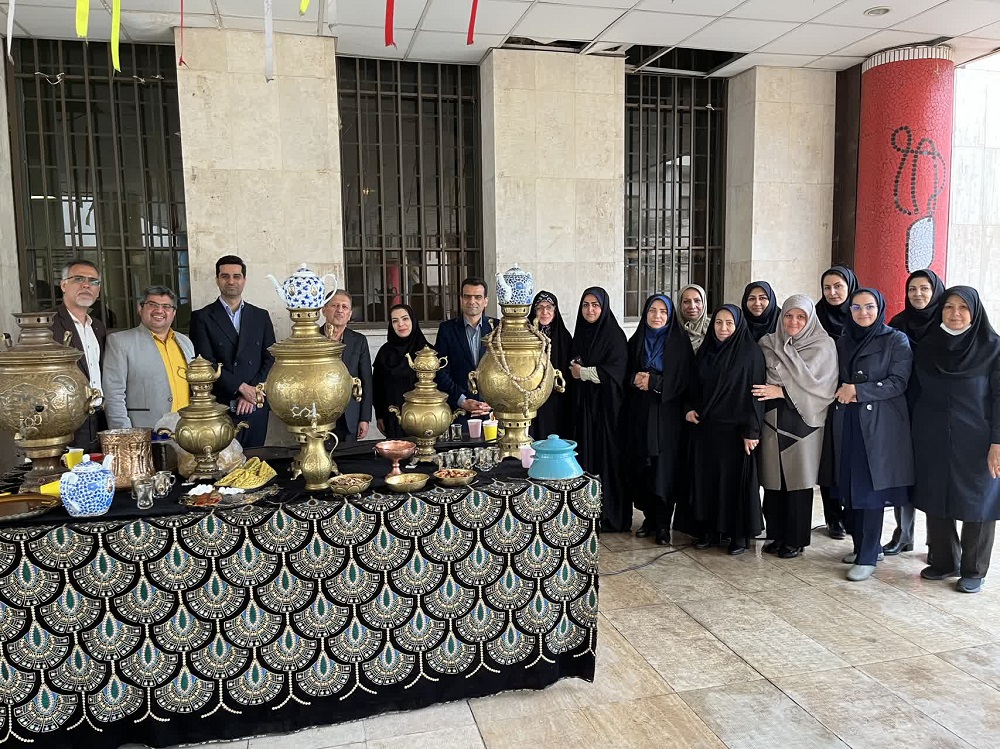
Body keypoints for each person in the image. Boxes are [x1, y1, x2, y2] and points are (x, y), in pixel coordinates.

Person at [911, 287, 1000, 594]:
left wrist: (997, 442)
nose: (955, 313)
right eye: (949, 307)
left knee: (979, 502)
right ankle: (945, 560)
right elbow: (915, 392)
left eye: (963, 307)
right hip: (931, 435)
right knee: (936, 495)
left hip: (978, 438)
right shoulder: (928, 346)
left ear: (975, 312)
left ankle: (974, 569)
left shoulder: (993, 349)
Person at [832, 288, 913, 582]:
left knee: (870, 489)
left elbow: (898, 382)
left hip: (879, 425)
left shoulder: (895, 340)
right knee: (851, 485)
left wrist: (858, 390)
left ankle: (867, 556)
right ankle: (864, 547)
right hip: (849, 420)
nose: (863, 313)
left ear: (879, 309)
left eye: (869, 307)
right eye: (856, 307)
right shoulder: (844, 340)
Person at [754, 295, 838, 558]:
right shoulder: (769, 343)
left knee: (798, 483)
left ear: (810, 319)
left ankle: (796, 540)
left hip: (804, 422)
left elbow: (824, 388)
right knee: (773, 482)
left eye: (801, 317)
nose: (794, 321)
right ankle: (776, 535)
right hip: (772, 419)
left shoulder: (823, 346)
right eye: (789, 315)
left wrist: (782, 391)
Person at [687, 306, 766, 555]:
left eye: (729, 323)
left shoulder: (750, 353)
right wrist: (689, 408)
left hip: (737, 433)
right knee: (708, 481)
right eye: (718, 322)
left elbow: (756, 395)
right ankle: (710, 531)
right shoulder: (707, 350)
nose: (723, 328)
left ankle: (738, 535)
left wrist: (752, 431)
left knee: (735, 484)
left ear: (738, 325)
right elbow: (693, 385)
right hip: (708, 429)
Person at [882, 268, 946, 556]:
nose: (918, 294)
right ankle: (903, 534)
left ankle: (936, 542)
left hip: (937, 411)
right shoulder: (899, 324)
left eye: (924, 289)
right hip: (902, 407)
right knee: (903, 472)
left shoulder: (947, 324)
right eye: (912, 289)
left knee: (933, 476)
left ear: (936, 291)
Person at [624, 294, 694, 545]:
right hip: (640, 413)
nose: (657, 316)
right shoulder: (637, 340)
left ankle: (663, 524)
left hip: (667, 416)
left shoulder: (679, 343)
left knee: (664, 468)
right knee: (643, 466)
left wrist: (655, 382)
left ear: (670, 315)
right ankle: (649, 519)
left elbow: (686, 380)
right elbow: (624, 370)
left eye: (663, 311)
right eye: (652, 310)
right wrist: (634, 378)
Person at [189, 255, 276, 448]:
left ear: (244, 280)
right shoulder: (202, 317)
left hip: (256, 404)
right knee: (224, 460)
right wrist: (240, 388)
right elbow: (205, 362)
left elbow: (270, 357)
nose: (231, 281)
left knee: (255, 459)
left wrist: (252, 393)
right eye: (225, 276)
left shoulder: (260, 316)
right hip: (220, 405)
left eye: (236, 276)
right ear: (217, 280)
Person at [570, 287, 629, 532]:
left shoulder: (614, 335)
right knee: (585, 457)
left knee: (607, 460)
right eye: (585, 305)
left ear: (604, 308)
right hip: (585, 410)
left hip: (608, 412)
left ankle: (610, 516)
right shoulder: (580, 333)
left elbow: (615, 371)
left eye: (595, 305)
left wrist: (583, 372)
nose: (590, 310)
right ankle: (585, 514)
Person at [103, 286, 195, 430]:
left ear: (174, 313)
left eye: (166, 306)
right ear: (140, 309)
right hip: (145, 431)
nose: (159, 310)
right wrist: (124, 434)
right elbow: (114, 394)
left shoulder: (185, 342)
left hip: (187, 430)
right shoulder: (120, 342)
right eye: (153, 305)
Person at [816, 265, 860, 541]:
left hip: (855, 398)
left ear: (850, 287)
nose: (832, 293)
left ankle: (853, 515)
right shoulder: (816, 317)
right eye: (827, 288)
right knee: (828, 459)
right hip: (824, 398)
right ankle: (833, 518)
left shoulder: (862, 315)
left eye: (838, 287)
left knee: (853, 459)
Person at [50, 259, 107, 452]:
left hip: (98, 417)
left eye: (93, 281)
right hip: (64, 420)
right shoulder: (48, 325)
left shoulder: (97, 326)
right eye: (79, 279)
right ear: (63, 285)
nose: (86, 285)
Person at [434, 277, 495, 418]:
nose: (472, 301)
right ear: (461, 300)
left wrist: (494, 401)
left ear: (485, 301)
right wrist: (463, 401)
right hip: (459, 412)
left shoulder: (497, 328)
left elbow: (507, 370)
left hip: (493, 412)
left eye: (478, 297)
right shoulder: (447, 329)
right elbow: (440, 370)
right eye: (467, 296)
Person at [322, 290, 373, 443]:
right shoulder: (311, 339)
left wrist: (364, 418)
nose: (340, 310)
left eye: (344, 307)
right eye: (335, 305)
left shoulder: (359, 341)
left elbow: (366, 380)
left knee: (349, 456)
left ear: (349, 314)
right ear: (324, 310)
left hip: (349, 416)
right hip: (319, 416)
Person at [372, 304, 428, 439]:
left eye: (405, 319)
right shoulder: (385, 353)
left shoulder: (427, 352)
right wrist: (379, 416)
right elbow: (377, 388)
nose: (400, 324)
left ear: (413, 320)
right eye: (395, 321)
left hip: (426, 418)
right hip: (393, 418)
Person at [528, 291, 573, 440]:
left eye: (549, 307)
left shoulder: (564, 337)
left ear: (555, 311)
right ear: (534, 311)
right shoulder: (526, 335)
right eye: (539, 307)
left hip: (556, 399)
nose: (544, 312)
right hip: (530, 396)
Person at [677, 283, 710, 353]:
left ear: (704, 303)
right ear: (680, 304)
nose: (692, 306)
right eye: (686, 302)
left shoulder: (714, 328)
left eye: (697, 301)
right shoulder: (671, 330)